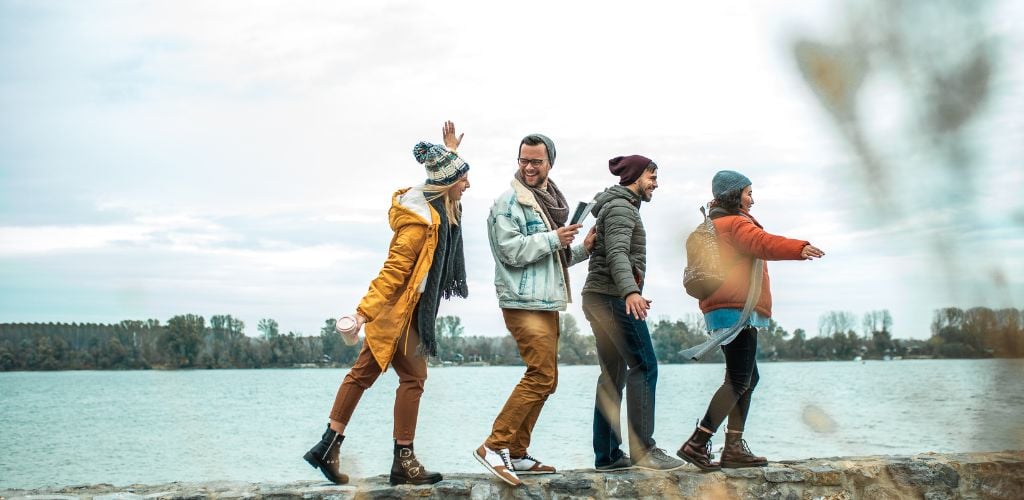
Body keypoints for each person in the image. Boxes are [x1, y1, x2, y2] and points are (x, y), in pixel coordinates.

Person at [303, 121, 471, 486]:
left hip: (410, 312)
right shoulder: (418, 224)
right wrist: (363, 313)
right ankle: (398, 459)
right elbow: (392, 273)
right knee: (398, 376)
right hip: (397, 314)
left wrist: (451, 151)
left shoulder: (437, 210)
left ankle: (331, 446)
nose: (468, 185)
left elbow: (445, 174)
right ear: (446, 185)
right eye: (463, 180)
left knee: (383, 375)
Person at [676, 170, 824, 471]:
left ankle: (733, 448)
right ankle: (697, 442)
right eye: (748, 192)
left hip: (721, 308)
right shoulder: (735, 224)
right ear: (734, 194)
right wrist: (799, 247)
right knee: (739, 379)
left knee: (747, 378)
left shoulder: (711, 225)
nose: (752, 199)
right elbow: (763, 242)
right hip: (737, 308)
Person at [474, 133, 594, 487]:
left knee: (548, 379)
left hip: (545, 302)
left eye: (536, 161)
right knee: (539, 375)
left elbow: (551, 261)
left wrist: (583, 247)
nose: (528, 166)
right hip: (521, 303)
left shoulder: (549, 202)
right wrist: (556, 238)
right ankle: (494, 446)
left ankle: (518, 451)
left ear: (549, 164)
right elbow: (512, 252)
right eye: (523, 160)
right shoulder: (508, 203)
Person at [581, 155, 687, 472]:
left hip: (597, 297)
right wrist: (630, 292)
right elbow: (616, 252)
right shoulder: (622, 207)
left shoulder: (616, 206)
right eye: (652, 177)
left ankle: (608, 456)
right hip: (612, 297)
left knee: (613, 376)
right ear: (637, 177)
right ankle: (644, 450)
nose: (656, 183)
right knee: (644, 365)